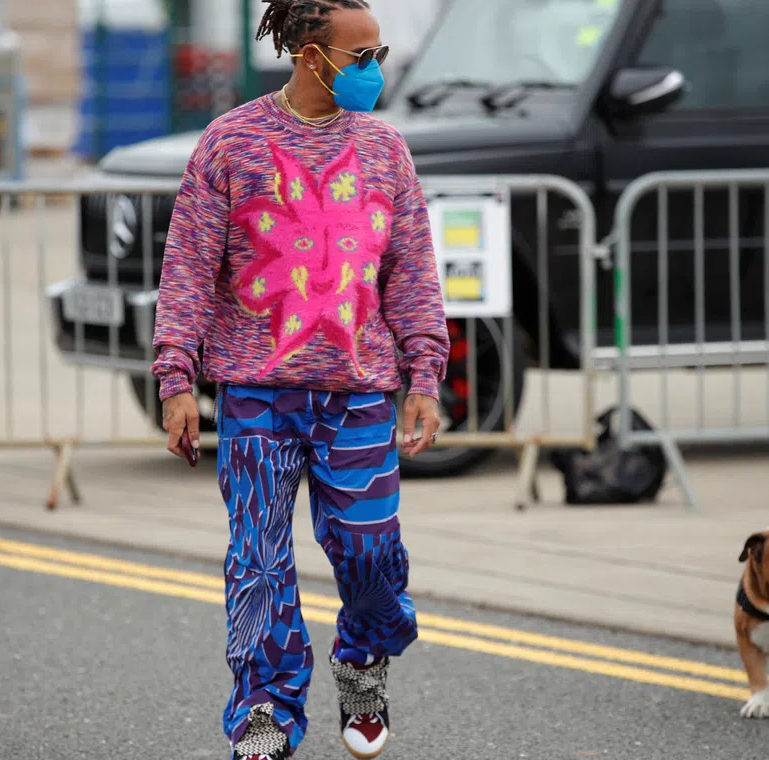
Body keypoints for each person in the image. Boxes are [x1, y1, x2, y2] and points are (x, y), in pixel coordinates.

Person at [148, 1, 450, 758]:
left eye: (380, 51)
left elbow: (412, 271)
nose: (375, 68)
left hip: (359, 394)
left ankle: (362, 660)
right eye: (361, 57)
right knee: (258, 561)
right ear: (310, 57)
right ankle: (266, 711)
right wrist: (175, 375)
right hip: (257, 396)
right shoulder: (232, 143)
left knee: (370, 552)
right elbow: (187, 266)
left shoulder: (386, 150)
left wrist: (425, 373)